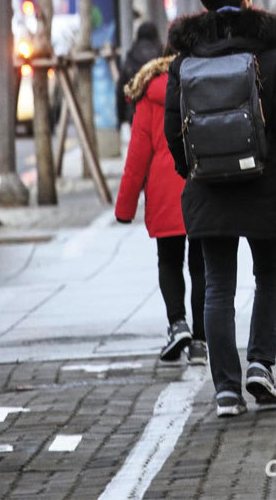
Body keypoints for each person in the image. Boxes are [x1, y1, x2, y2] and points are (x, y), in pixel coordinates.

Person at [164, 0, 276, 418]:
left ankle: (225, 390)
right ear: (247, 0)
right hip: (266, 183)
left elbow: (173, 132)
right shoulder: (272, 55)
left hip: (208, 186)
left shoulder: (184, 61)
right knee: (269, 274)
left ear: (202, 5)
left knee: (218, 285)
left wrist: (194, 171)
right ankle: (260, 365)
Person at [115, 55, 206, 364]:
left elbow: (137, 156)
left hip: (163, 191)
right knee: (201, 265)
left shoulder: (148, 96)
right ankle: (201, 340)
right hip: (199, 182)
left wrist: (124, 208)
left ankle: (177, 323)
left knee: (169, 261)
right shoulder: (201, 83)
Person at [117, 21, 163, 125]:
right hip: (159, 115)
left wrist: (121, 119)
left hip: (135, 114)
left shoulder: (131, 55)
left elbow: (121, 89)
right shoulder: (162, 56)